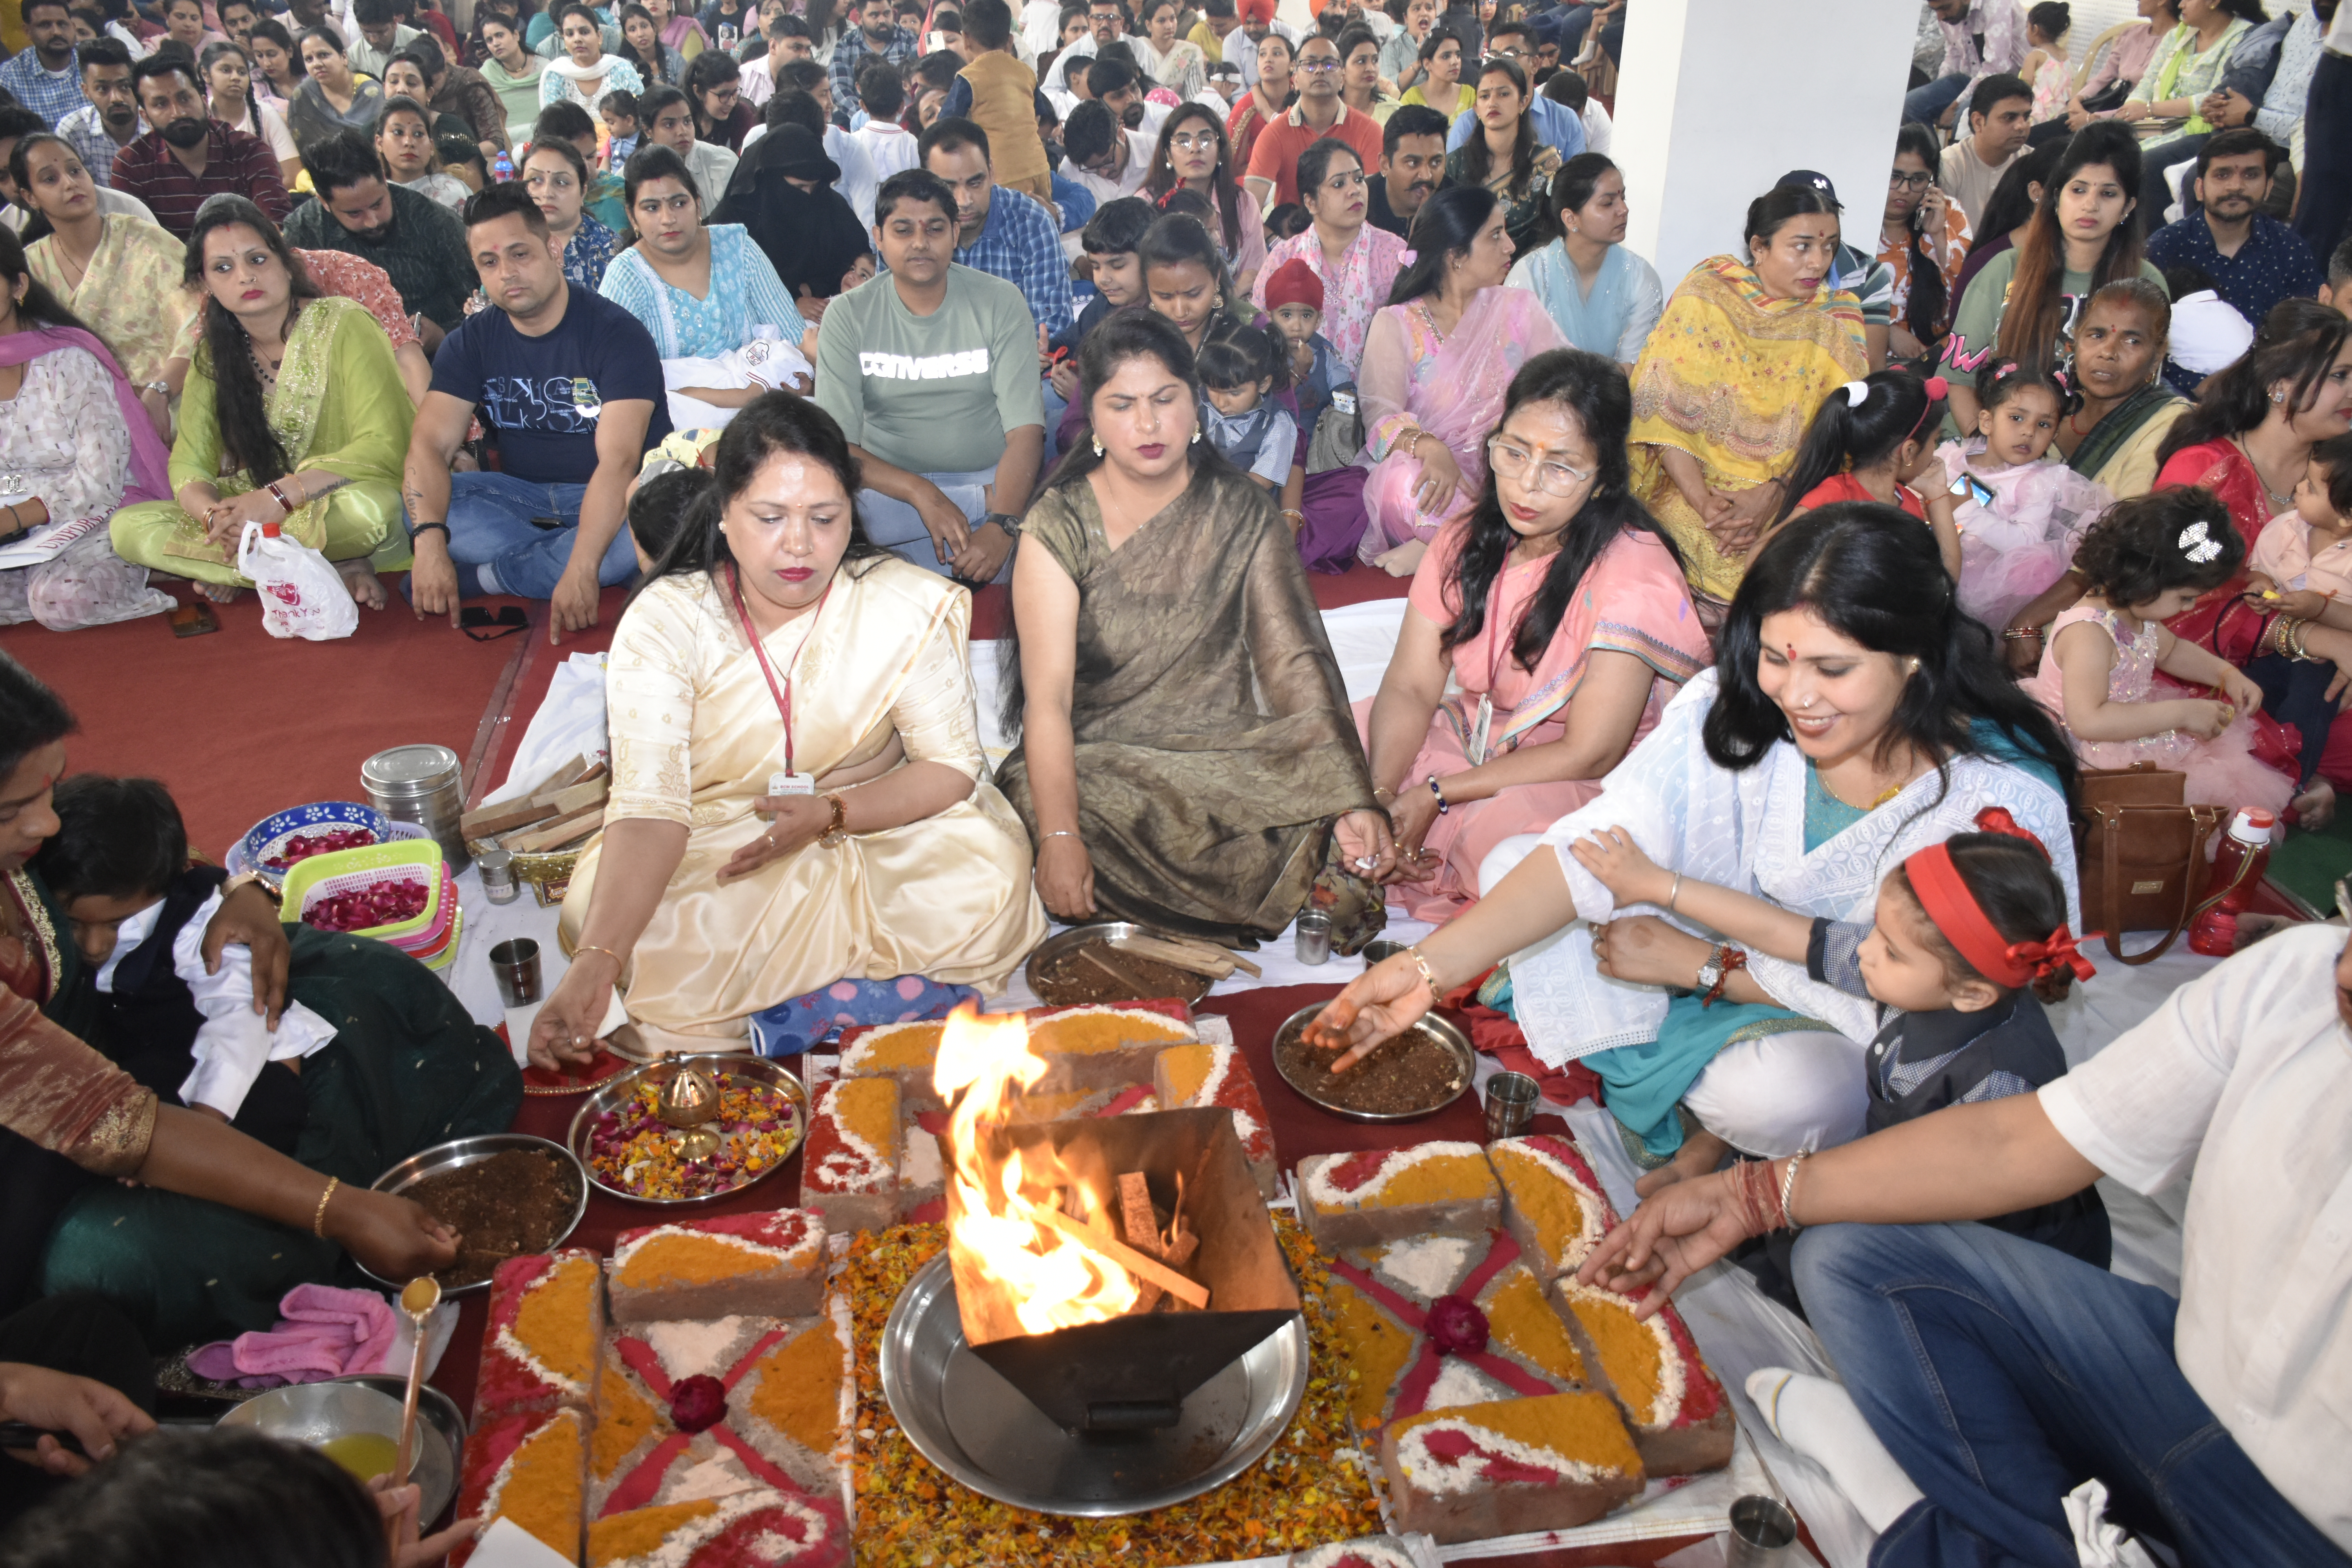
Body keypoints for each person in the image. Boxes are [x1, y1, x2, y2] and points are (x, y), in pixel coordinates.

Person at [1307, 503, 2079, 1170]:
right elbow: (1605, 840)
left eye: (1835, 669)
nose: (1798, 696)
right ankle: (1676, 1072)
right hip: (1692, 926)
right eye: (1778, 656)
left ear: (1915, 658)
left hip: (1842, 1008)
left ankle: (1696, 1102)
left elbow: (1930, 996)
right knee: (1523, 862)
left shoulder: (1992, 802)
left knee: (1785, 1094)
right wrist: (1423, 971)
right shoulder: (1741, 704)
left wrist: (1705, 966)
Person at [521, 395, 1045, 1060]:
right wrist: (596, 960)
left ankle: (800, 1009)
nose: (799, 545)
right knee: (619, 928)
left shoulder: (903, 603)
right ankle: (884, 995)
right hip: (723, 837)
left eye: (824, 518)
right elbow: (650, 809)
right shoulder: (667, 623)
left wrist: (832, 810)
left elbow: (947, 768)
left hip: (875, 823)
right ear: (723, 513)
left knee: (991, 871)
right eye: (770, 518)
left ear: (852, 511)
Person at [1569, 809, 2112, 1281]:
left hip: (1988, 1246)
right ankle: (1713, 1159)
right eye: (1876, 930)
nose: (1866, 954)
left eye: (1891, 951)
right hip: (1900, 1171)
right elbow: (1787, 933)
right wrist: (1659, 885)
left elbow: (1937, 1190)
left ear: (1972, 994)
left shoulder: (2000, 1081)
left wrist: (1788, 1206)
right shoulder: (1924, 969)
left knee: (1818, 1261)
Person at [999, 308, 1394, 945]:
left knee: (1351, 859)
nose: (1148, 423)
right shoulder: (1060, 524)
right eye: (1122, 404)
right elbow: (1047, 702)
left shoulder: (1240, 509)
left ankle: (1270, 868)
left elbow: (1295, 665)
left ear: (1197, 404)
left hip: (1236, 752)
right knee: (1026, 799)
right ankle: (1271, 882)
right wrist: (1062, 836)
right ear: (1092, 419)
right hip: (1114, 758)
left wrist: (1347, 798)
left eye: (1165, 399)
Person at [1359, 347, 1706, 922]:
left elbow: (1591, 751)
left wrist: (1437, 795)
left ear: (1603, 480)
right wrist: (1380, 799)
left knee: (1506, 848)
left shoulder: (1634, 572)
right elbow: (1413, 685)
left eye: (1561, 467)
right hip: (1480, 738)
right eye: (1513, 453)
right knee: (1343, 743)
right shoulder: (1466, 540)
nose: (1527, 484)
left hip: (1576, 775)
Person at [111, 197, 413, 608]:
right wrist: (215, 518)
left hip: (338, 497)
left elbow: (385, 444)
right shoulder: (214, 354)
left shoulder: (345, 323)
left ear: (287, 263)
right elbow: (189, 463)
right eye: (223, 268)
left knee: (372, 514)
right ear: (205, 285)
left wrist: (278, 498)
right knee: (128, 528)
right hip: (257, 512)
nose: (245, 277)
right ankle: (320, 567)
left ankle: (251, 568)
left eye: (257, 259)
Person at [406, 184, 668, 627]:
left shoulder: (617, 335)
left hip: (616, 494)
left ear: (552, 250)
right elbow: (429, 446)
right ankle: (578, 562)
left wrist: (584, 567)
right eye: (490, 262)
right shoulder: (469, 342)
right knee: (419, 504)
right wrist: (429, 546)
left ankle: (490, 577)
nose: (507, 272)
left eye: (520, 254)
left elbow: (620, 463)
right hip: (522, 499)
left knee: (656, 523)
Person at [1629, 182, 1867, 614]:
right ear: (1759, 247)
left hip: (1787, 503)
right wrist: (1704, 504)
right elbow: (1661, 410)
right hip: (1690, 492)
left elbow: (1840, 438)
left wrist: (1772, 495)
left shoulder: (1836, 319)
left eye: (1829, 247)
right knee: (1664, 548)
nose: (1818, 262)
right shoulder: (1709, 293)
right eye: (1802, 246)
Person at [811, 169, 1038, 584]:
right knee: (827, 510)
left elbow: (1025, 433)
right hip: (887, 494)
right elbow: (839, 447)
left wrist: (1003, 524)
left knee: (1035, 516)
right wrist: (923, 494)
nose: (920, 243)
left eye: (935, 229)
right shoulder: (847, 315)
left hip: (991, 485)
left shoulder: (1000, 302)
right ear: (878, 238)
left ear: (955, 233)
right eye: (903, 230)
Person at [2023, 486, 2292, 816]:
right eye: (2185, 598)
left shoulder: (2136, 614)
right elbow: (2089, 720)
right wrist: (2181, 714)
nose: (2190, 606)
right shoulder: (2089, 633)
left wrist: (2226, 674)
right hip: (2084, 756)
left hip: (2131, 731)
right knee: (2154, 813)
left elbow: (2172, 650)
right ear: (2146, 580)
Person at [1357, 184, 1563, 574]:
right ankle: (1497, 549)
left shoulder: (1519, 309)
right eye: (1495, 235)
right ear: (1455, 256)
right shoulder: (1398, 323)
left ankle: (1442, 550)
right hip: (1438, 479)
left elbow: (1561, 389)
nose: (1510, 246)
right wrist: (1433, 450)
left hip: (1510, 473)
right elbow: (1380, 422)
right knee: (1402, 485)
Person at [0, 227, 172, 631]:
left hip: (94, 511)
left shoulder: (68, 361)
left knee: (59, 601)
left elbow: (100, 480)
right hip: (13, 529)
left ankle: (143, 580)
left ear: (18, 285)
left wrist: (16, 517)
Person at [1942, 124, 2166, 430]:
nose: (2090, 204)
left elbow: (2143, 388)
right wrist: (1990, 463)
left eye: (2108, 193)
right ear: (2057, 197)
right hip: (1984, 447)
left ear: (2127, 207)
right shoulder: (2003, 269)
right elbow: (1958, 382)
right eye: (2079, 189)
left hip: (2091, 450)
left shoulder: (2146, 283)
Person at [599, 143, 807, 428]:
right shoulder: (627, 277)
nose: (668, 218)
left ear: (698, 204)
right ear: (632, 217)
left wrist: (808, 380)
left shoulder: (738, 248)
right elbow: (611, 375)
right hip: (675, 426)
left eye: (679, 203)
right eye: (651, 208)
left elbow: (795, 334)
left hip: (763, 412)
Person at [12, 134, 196, 419]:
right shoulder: (31, 270)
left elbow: (200, 319)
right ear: (30, 197)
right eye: (50, 179)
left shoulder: (145, 239)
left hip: (173, 401)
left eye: (75, 171)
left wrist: (160, 390)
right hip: (80, 416)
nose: (70, 183)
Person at [1767, 369, 1962, 580]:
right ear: (1910, 451)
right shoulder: (1833, 498)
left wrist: (1937, 492)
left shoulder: (1909, 505)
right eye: (1935, 439)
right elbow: (1763, 558)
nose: (1935, 449)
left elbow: (1944, 581)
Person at [282, 129, 474, 337]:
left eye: (378, 204)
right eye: (354, 213)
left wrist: (444, 336)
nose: (372, 222)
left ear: (384, 178)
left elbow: (480, 304)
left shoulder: (434, 221)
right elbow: (292, 317)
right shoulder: (305, 234)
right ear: (324, 203)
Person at [1250, 136, 1406, 373]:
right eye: (1339, 184)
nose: (1355, 191)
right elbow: (1260, 334)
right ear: (1311, 203)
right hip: (1297, 399)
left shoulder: (1394, 255)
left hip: (1378, 399)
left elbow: (1413, 338)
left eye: (1359, 179)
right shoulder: (1284, 259)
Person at [2145, 128, 2321, 328]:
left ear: (2268, 188)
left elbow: (2308, 333)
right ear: (2200, 188)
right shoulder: (2163, 248)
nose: (2236, 186)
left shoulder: (2290, 250)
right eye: (2222, 175)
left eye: (2251, 175)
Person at [1504, 151, 1659, 370]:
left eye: (1623, 198)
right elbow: (1508, 365)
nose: (1623, 210)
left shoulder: (1641, 278)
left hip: (1612, 400)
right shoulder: (1530, 276)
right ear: (1571, 218)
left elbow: (1632, 369)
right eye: (1608, 203)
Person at [918, 116, 1071, 336]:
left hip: (1016, 367)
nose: (964, 200)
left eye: (975, 182)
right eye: (948, 187)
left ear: (991, 171)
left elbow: (1050, 329)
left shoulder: (1031, 223)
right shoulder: (908, 233)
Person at [111, 55, 290, 240]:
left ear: (205, 102)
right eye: (161, 104)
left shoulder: (250, 151)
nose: (178, 113)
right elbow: (135, 245)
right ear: (146, 117)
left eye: (185, 98)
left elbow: (275, 230)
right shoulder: (131, 165)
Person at [712, 123, 873, 313]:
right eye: (799, 188)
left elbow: (857, 260)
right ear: (770, 180)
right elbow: (727, 288)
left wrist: (811, 289)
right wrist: (789, 300)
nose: (808, 195)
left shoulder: (829, 204)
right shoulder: (732, 220)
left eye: (814, 187)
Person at [2054, 277, 2189, 501]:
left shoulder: (2168, 422)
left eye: (2132, 341)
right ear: (2076, 338)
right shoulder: (2050, 410)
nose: (2108, 352)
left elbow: (2131, 518)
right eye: (2097, 335)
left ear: (2158, 355)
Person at [2122, 0, 2259, 216]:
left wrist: (2150, 109)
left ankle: (2147, 243)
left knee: (2145, 161)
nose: (2181, 4)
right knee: (2098, 144)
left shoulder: (2243, 37)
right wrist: (2132, 108)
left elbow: (2216, 98)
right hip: (2154, 123)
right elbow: (2146, 85)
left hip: (2204, 129)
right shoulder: (2178, 35)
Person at [1242, 34, 1380, 208]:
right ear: (1296, 80)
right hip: (1291, 231)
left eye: (1330, 64)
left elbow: (1374, 206)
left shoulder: (1368, 131)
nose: (1320, 70)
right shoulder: (1275, 134)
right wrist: (1273, 236)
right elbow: (1249, 212)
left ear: (1342, 79)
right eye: (1310, 64)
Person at [1142, 101, 1263, 288]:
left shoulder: (1243, 203)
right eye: (1183, 142)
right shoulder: (1146, 203)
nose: (1195, 149)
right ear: (1168, 154)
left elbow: (1254, 275)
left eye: (1206, 140)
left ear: (1220, 150)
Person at [942, 0, 1051, 205]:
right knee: (1037, 228)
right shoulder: (1025, 71)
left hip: (1001, 176)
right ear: (1010, 41)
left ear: (966, 39)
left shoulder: (968, 78)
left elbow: (946, 125)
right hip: (1039, 169)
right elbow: (1037, 115)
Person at [1443, 55, 1554, 254]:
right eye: (1485, 96)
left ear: (1523, 102)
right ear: (1476, 108)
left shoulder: (1545, 164)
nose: (1492, 103)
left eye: (1503, 94)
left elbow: (1552, 234)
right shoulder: (1456, 164)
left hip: (1529, 273)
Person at [1881, 123, 1969, 369]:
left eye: (1918, 180)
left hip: (1934, 359)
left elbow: (1967, 297)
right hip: (1868, 354)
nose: (1905, 190)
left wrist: (1938, 237)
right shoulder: (1857, 218)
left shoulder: (1950, 213)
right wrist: (1884, 329)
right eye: (1894, 177)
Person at [1197, 319, 1298, 505]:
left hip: (1247, 506)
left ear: (1264, 384)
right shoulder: (1196, 402)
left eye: (1234, 393)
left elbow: (1262, 480)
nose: (1221, 402)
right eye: (1213, 389)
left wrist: (1211, 494)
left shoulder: (1276, 423)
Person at [1908, 0, 2029, 131]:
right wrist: (1939, 90)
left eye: (1945, 8)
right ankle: (1932, 152)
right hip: (1971, 79)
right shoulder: (1948, 16)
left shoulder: (1997, 5)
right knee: (1911, 105)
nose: (1940, 17)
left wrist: (1955, 105)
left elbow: (1997, 68)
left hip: (2010, 83)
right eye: (1935, 10)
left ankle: (1960, 151)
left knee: (1964, 116)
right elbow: (1953, 56)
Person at [1937, 70, 2032, 231]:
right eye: (2010, 118)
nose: (2022, 126)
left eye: (2026, 117)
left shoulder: (2032, 163)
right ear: (1978, 122)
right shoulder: (1949, 165)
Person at [200, 42, 300, 189]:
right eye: (226, 70)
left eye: (242, 72)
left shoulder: (265, 114)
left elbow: (293, 176)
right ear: (206, 74)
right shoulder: (200, 117)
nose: (236, 77)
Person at [523, 133, 616, 289]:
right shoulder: (510, 239)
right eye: (536, 180)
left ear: (583, 192)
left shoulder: (609, 252)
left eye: (561, 182)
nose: (547, 193)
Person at [285, 25, 387, 152]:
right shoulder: (303, 95)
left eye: (323, 55)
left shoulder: (371, 93)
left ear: (344, 57)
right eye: (309, 59)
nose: (316, 64)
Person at [56, 40, 142, 188]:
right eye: (103, 89)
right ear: (87, 91)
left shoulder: (157, 123)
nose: (117, 98)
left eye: (125, 86)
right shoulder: (73, 131)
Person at [540, 2, 647, 114]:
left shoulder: (622, 70)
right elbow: (554, 124)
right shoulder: (557, 75)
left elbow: (640, 116)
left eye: (584, 32)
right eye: (570, 34)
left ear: (599, 36)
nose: (577, 39)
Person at [637, 83, 736, 203]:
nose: (682, 131)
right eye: (669, 124)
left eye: (687, 121)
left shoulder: (722, 162)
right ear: (648, 130)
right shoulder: (634, 173)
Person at [0, 0, 88, 129]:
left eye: (62, 24)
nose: (56, 32)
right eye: (45, 25)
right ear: (27, 31)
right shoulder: (9, 77)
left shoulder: (96, 60)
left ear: (73, 27)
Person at [370, 93, 467, 209]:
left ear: (431, 146)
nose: (409, 142)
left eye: (418, 134)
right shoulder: (370, 195)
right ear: (379, 143)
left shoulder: (449, 191)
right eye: (398, 133)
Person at [1366, 99, 1441, 236]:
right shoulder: (1361, 206)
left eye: (1436, 163)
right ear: (1385, 165)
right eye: (1413, 163)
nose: (1427, 176)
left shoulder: (1458, 207)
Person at [829, 0, 917, 113]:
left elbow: (916, 84)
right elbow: (840, 89)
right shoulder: (846, 46)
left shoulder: (909, 40)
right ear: (860, 18)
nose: (882, 20)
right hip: (859, 117)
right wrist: (865, 116)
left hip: (902, 113)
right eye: (875, 15)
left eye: (887, 14)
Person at [1062, 95, 1152, 204]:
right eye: (1092, 169)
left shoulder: (1154, 151)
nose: (1104, 173)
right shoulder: (1070, 171)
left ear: (1120, 134)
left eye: (1108, 161)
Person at [1222, 26, 1288, 170]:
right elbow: (1232, 169)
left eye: (1277, 54)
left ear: (1293, 64)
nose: (1269, 59)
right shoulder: (1247, 107)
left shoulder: (1301, 101)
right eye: (1263, 55)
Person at [478, 10, 546, 139]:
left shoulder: (545, 68)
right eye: (489, 40)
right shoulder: (487, 73)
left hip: (544, 138)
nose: (496, 43)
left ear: (516, 35)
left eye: (500, 35)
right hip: (505, 145)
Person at [685, 48, 753, 147]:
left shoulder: (741, 115)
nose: (732, 103)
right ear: (699, 92)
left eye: (735, 93)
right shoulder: (680, 120)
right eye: (723, 95)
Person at [1395, 25, 1466, 118]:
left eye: (1458, 55)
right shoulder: (1411, 100)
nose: (1455, 62)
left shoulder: (1470, 96)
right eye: (1446, 57)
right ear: (1427, 64)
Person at [619, 3, 688, 88]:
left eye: (644, 26)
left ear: (654, 29)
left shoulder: (674, 59)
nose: (640, 34)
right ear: (627, 37)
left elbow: (688, 94)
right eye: (633, 30)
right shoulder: (623, 68)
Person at [347, 0, 420, 80]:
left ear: (395, 23)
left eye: (381, 32)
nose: (373, 40)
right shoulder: (354, 56)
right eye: (367, 32)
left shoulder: (418, 41)